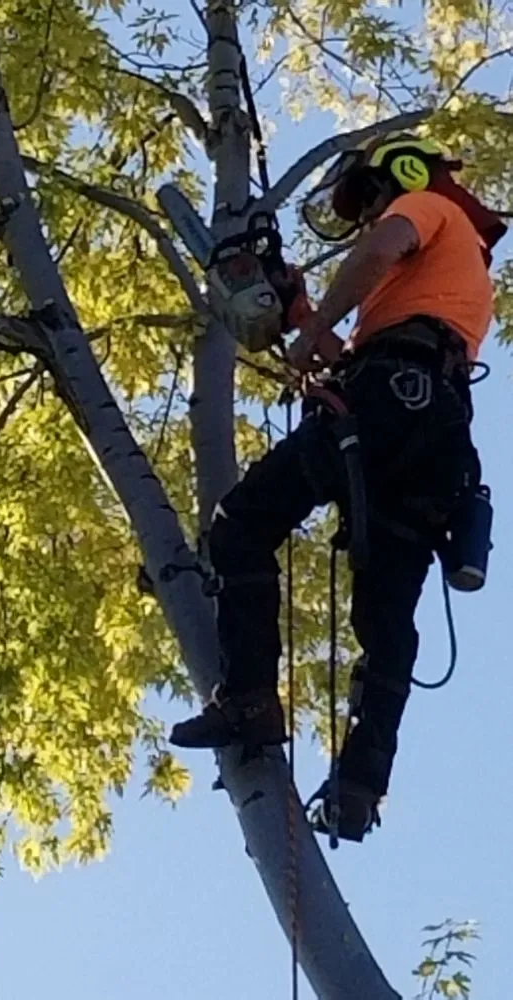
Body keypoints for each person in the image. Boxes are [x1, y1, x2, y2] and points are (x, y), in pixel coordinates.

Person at [170, 132, 506, 841]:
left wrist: (317, 318)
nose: (369, 218)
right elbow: (348, 358)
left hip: (389, 398)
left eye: (371, 201)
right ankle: (358, 789)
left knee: (241, 524)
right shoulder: (450, 286)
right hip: (430, 429)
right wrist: (296, 310)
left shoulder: (424, 207)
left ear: (401, 179)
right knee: (386, 626)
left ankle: (252, 700)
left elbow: (378, 255)